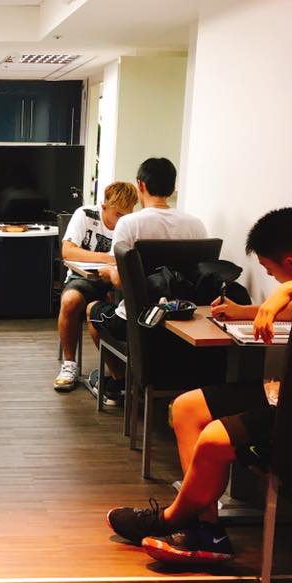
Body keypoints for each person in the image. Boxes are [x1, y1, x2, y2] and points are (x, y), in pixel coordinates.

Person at [107, 207, 292, 564]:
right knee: (186, 408)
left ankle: (171, 518)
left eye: (272, 272)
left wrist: (285, 290)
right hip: (279, 390)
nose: (272, 280)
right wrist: (245, 311)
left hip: (286, 410)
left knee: (212, 439)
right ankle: (208, 529)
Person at [86, 158, 207, 405]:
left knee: (92, 311)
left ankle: (121, 382)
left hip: (138, 320)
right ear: (173, 187)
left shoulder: (129, 223)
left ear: (140, 185)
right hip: (181, 320)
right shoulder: (196, 225)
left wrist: (108, 273)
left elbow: (120, 281)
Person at [54, 181, 138, 392]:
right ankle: (70, 364)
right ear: (104, 206)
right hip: (86, 279)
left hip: (118, 283)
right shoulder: (85, 215)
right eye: (117, 214)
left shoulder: (133, 224)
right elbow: (68, 251)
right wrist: (108, 258)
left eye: (126, 215)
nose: (121, 220)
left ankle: (126, 374)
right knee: (70, 301)